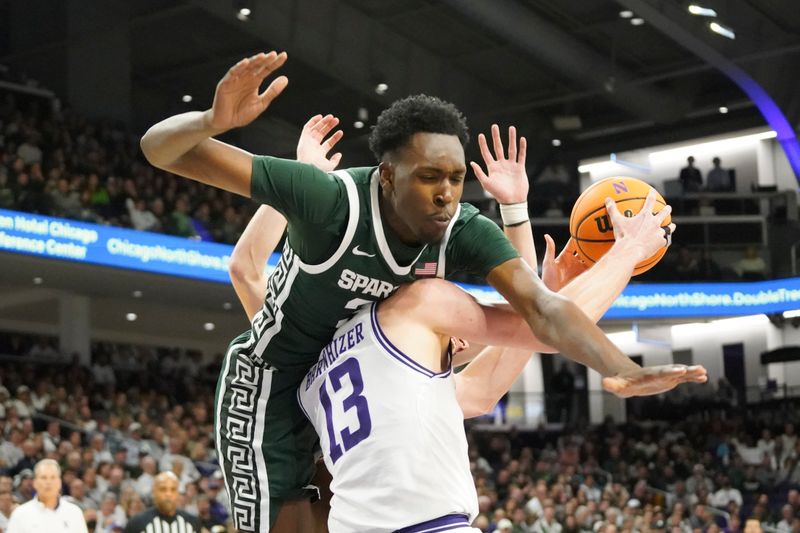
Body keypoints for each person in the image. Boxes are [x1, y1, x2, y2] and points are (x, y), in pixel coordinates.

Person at [140, 51, 681, 532]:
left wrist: (521, 219)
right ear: (388, 175)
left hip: (337, 410)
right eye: (428, 178)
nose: (446, 195)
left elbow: (530, 315)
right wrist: (214, 123)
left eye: (455, 179)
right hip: (273, 389)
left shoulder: (441, 264)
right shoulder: (333, 207)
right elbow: (170, 164)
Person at [233, 117, 703, 531]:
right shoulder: (417, 305)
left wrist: (299, 182)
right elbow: (536, 324)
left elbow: (489, 381)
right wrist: (626, 251)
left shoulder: (318, 369)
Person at [6, 459, 87, 533]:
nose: (48, 482)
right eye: (43, 477)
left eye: (53, 477)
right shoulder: (20, 514)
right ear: (35, 483)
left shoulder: (74, 513)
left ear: (59, 482)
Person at [123, 472, 203, 533]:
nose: (168, 494)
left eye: (173, 489)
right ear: (154, 492)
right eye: (163, 489)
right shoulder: (137, 523)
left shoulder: (193, 522)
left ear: (178, 493)